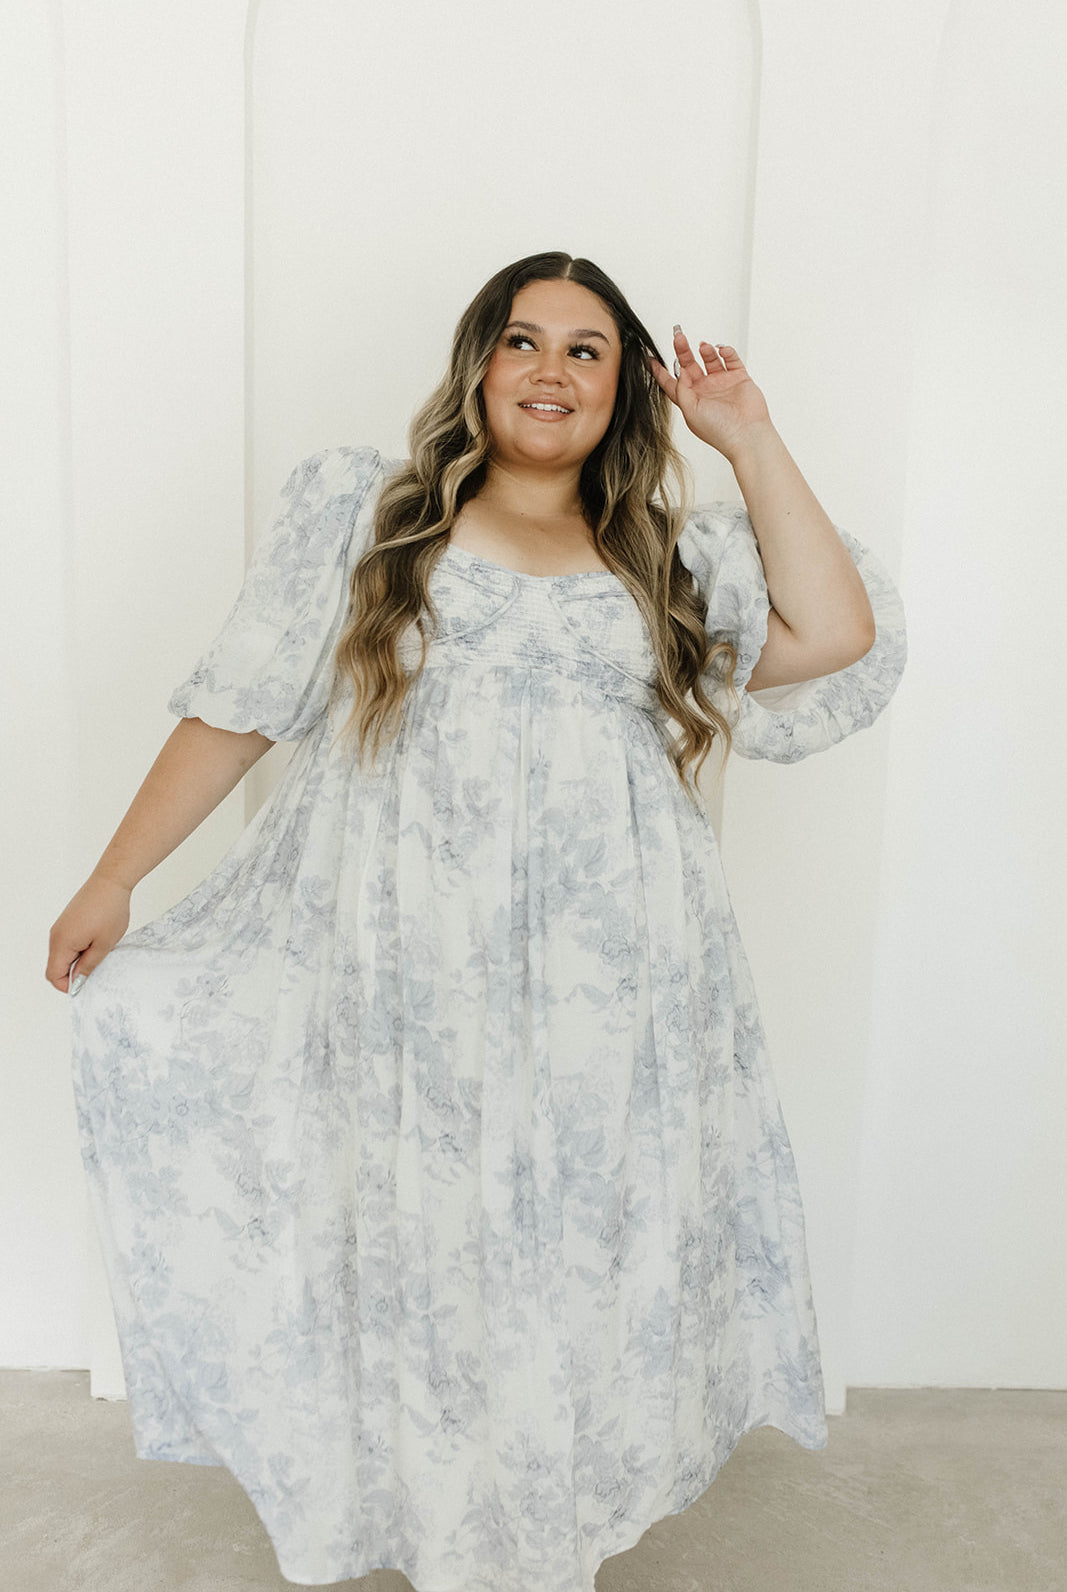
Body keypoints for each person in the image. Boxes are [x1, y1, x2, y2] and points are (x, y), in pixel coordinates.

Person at [46, 251, 906, 1592]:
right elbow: (239, 706)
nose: (550, 370)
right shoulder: (370, 518)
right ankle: (442, 1525)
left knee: (568, 1242)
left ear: (624, 390)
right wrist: (115, 879)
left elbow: (838, 632)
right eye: (522, 340)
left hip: (612, 975)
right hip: (414, 962)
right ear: (479, 367)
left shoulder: (666, 559)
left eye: (585, 349)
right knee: (433, 1233)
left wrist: (746, 434)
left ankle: (541, 1535)